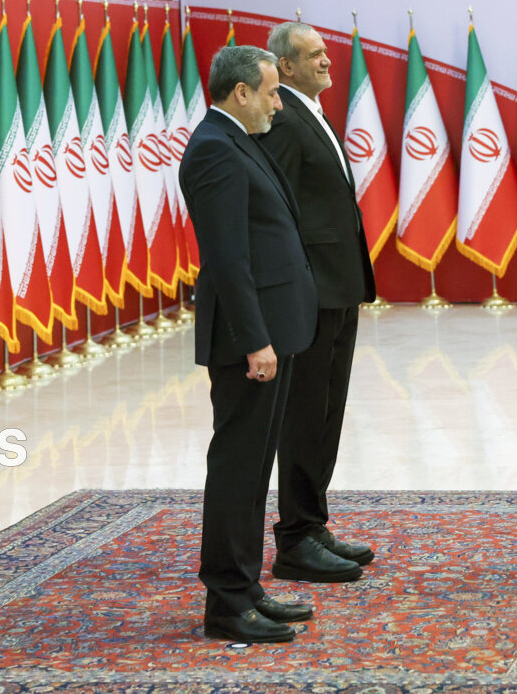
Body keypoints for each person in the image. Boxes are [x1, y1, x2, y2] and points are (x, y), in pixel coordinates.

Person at [178, 45, 319, 642]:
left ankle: (247, 587)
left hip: (271, 329)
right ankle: (227, 602)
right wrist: (255, 341)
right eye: (271, 92)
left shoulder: (238, 139)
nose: (278, 103)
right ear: (241, 92)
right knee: (237, 468)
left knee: (256, 466)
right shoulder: (214, 148)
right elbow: (228, 258)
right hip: (248, 339)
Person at [258, 22, 377, 583]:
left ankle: (313, 523)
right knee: (307, 415)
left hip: (339, 286)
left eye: (326, 52)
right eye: (314, 54)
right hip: (311, 291)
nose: (328, 61)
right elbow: (276, 209)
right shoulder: (284, 119)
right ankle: (295, 539)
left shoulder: (314, 112)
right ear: (285, 66)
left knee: (328, 411)